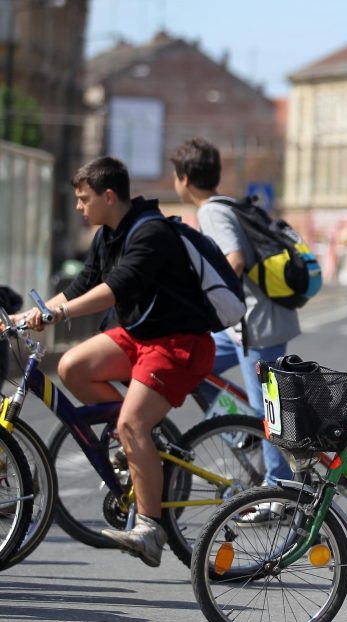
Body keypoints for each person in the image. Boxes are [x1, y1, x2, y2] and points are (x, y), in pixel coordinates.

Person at [15, 156, 216, 567]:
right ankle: (138, 446)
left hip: (178, 341)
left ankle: (149, 529)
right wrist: (24, 318)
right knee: (72, 367)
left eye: (83, 198)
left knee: (131, 424)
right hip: (139, 336)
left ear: (109, 196)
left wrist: (59, 315)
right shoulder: (107, 234)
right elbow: (80, 286)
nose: (78, 207)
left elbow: (113, 289)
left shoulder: (152, 232)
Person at [172, 138, 301, 513]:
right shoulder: (228, 202)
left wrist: (205, 302)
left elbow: (235, 259)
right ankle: (239, 429)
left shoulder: (212, 212)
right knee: (191, 365)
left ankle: (278, 491)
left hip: (256, 325)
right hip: (247, 325)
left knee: (269, 410)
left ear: (183, 178)